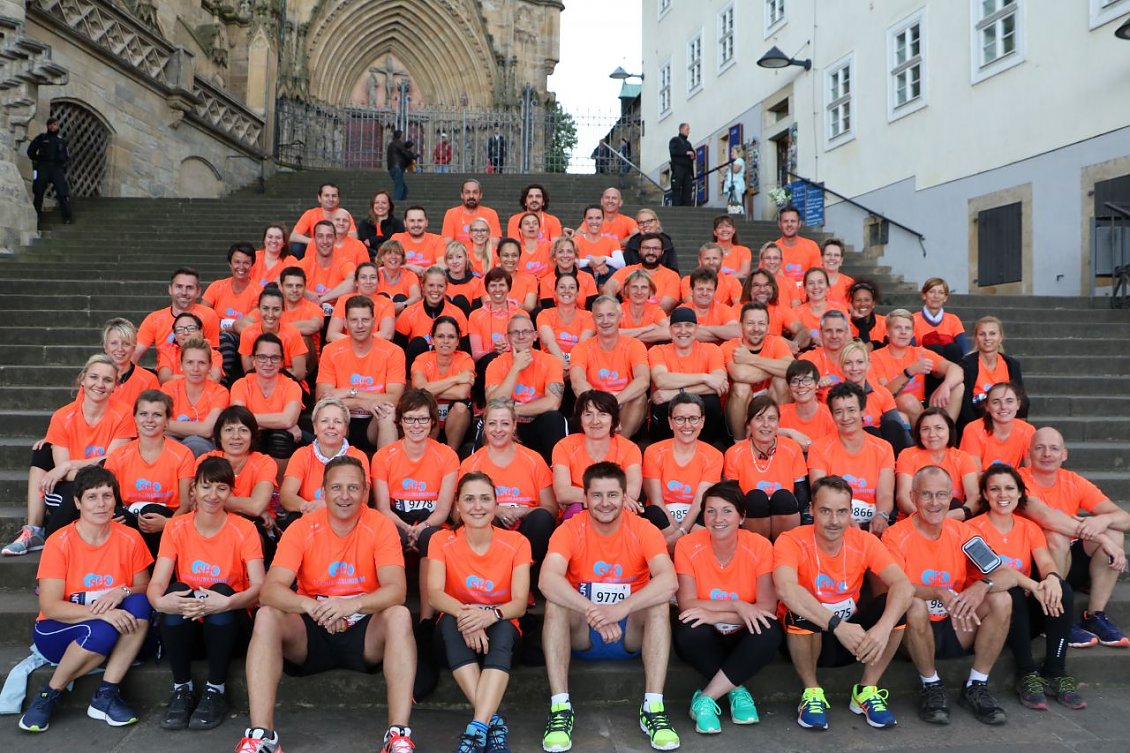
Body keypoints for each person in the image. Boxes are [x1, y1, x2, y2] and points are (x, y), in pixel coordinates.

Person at [236, 456, 417, 753]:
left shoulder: (380, 526)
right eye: (336, 488)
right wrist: (311, 607)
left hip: (364, 630)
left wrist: (351, 605)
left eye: (352, 488)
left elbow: (397, 590)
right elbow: (269, 591)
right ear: (322, 491)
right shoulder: (303, 527)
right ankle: (262, 735)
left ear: (365, 491)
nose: (344, 496)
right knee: (267, 615)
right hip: (312, 630)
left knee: (398, 615)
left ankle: (398, 735)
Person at [539, 461, 681, 752]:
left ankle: (653, 708)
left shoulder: (643, 529)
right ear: (586, 497)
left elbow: (669, 582)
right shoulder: (570, 529)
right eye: (597, 495)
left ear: (625, 496)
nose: (605, 503)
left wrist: (620, 609)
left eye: (613, 495)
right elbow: (546, 580)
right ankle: (560, 709)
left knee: (659, 604)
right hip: (584, 631)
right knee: (555, 604)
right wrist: (593, 611)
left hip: (630, 631)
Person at [17, 467, 152, 733]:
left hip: (113, 629)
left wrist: (121, 591)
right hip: (57, 630)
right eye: (92, 497)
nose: (101, 504)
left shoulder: (130, 537)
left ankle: (106, 693)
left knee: (140, 603)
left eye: (107, 495)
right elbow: (50, 606)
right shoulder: (59, 542)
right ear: (78, 502)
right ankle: (50, 693)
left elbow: (144, 585)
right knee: (101, 629)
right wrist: (101, 613)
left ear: (116, 500)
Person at [773, 475, 914, 731]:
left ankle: (866, 691)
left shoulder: (865, 541)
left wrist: (882, 629)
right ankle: (812, 694)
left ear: (851, 512)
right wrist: (837, 625)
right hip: (808, 637)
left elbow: (904, 586)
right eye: (825, 511)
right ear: (811, 510)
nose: (834, 521)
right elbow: (785, 588)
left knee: (895, 608)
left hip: (853, 640)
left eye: (841, 512)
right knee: (800, 610)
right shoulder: (791, 539)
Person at [883, 465, 1017, 727]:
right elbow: (896, 587)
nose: (935, 503)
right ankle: (931, 686)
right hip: (911, 633)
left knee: (1002, 599)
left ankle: (976, 685)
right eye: (927, 495)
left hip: (957, 625)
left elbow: (1007, 575)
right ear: (913, 497)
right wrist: (938, 591)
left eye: (942, 495)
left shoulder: (962, 532)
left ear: (950, 497)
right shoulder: (895, 535)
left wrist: (981, 586)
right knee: (914, 605)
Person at [147, 457, 265, 731]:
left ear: (230, 493)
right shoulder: (176, 527)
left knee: (221, 591)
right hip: (188, 629)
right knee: (176, 592)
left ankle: (216, 690)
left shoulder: (244, 529)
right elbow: (156, 584)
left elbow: (260, 585)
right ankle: (182, 688)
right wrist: (160, 602)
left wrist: (227, 602)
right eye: (206, 487)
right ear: (194, 491)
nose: (213, 495)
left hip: (229, 630)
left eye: (221, 488)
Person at [966, 464, 1086, 711]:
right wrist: (1035, 585)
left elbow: (1045, 561)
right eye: (995, 489)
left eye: (1010, 488)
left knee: (1061, 589)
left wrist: (1052, 578)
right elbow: (998, 571)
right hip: (993, 616)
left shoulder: (1028, 527)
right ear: (986, 494)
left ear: (1020, 493)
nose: (1003, 495)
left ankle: (1055, 671)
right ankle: (1027, 674)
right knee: (1011, 591)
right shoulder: (971, 529)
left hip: (1025, 618)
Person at [428, 471, 531, 753]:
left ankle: (477, 729)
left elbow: (520, 603)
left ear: (496, 505)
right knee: (449, 621)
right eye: (469, 499)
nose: (478, 506)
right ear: (457, 506)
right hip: (456, 632)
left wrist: (488, 616)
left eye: (485, 499)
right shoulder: (441, 540)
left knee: (506, 628)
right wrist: (468, 616)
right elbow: (436, 594)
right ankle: (490, 724)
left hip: (501, 632)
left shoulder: (518, 543)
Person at [673, 481, 781, 733]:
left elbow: (765, 607)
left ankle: (706, 698)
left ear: (742, 516)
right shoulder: (687, 545)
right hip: (708, 634)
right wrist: (737, 605)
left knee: (769, 631)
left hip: (741, 633)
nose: (717, 518)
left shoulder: (761, 546)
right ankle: (737, 691)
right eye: (710, 511)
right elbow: (687, 603)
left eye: (726, 511)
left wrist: (715, 614)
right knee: (688, 627)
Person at [3, 355, 134, 556]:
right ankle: (34, 529)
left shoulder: (124, 414)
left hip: (104, 484)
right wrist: (67, 468)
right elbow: (61, 469)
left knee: (77, 497)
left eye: (107, 380)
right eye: (93, 377)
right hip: (68, 481)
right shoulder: (63, 416)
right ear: (82, 379)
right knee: (45, 454)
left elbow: (112, 463)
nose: (99, 384)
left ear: (115, 385)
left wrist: (70, 465)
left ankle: (50, 549)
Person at [1017, 427, 1130, 648]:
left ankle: (1094, 616)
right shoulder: (1019, 480)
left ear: (1064, 454)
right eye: (1040, 448)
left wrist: (1104, 521)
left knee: (1114, 531)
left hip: (1067, 563)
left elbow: (1125, 518)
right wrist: (1102, 539)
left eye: (1053, 448)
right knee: (1056, 536)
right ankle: (1055, 620)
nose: (1047, 454)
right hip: (1036, 568)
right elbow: (1049, 518)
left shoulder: (1072, 481)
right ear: (1028, 454)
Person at [460, 399, 556, 568]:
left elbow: (551, 509)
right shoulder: (472, 464)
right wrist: (494, 510)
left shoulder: (533, 460)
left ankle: (522, 575)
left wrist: (523, 511)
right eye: (492, 423)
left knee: (541, 518)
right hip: (491, 530)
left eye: (504, 423)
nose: (498, 430)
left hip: (526, 530)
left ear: (514, 426)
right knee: (482, 517)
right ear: (485, 427)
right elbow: (457, 511)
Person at [102, 390, 194, 555]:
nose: (149, 420)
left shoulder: (183, 454)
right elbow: (106, 495)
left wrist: (167, 522)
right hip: (129, 517)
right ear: (135, 418)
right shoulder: (118, 455)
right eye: (143, 414)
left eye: (157, 415)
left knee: (152, 510)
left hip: (167, 520)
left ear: (167, 421)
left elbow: (186, 505)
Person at [317, 295, 407, 453]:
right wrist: (362, 403)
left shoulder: (393, 352)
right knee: (331, 412)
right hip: (343, 419)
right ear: (345, 322)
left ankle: (385, 472)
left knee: (388, 411)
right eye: (354, 320)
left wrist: (351, 393)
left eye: (365, 320)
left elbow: (394, 398)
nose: (360, 325)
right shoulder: (330, 351)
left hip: (375, 421)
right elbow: (323, 399)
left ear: (374, 321)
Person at [808, 383, 896, 535]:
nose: (845, 417)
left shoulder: (884, 448)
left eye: (851, 410)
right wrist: (845, 519)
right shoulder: (818, 448)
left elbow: (885, 494)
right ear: (832, 415)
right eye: (838, 412)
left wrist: (881, 515)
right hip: (834, 520)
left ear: (862, 411)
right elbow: (820, 493)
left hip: (872, 521)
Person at [642, 393, 723, 549]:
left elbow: (700, 500)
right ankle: (686, 550)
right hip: (663, 518)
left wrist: (681, 531)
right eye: (680, 419)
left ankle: (684, 551)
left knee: (711, 512)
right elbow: (656, 501)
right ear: (670, 423)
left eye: (693, 419)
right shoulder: (653, 452)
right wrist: (678, 532)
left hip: (695, 518)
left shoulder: (714, 456)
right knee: (653, 512)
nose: (687, 425)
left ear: (702, 421)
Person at [484, 314, 568, 463]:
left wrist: (514, 411)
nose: (521, 336)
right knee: (490, 422)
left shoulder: (551, 362)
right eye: (515, 332)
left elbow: (553, 403)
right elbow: (493, 403)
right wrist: (516, 368)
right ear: (507, 337)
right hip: (507, 426)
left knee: (554, 419)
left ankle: (557, 471)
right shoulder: (496, 364)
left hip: (537, 424)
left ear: (535, 336)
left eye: (526, 332)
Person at [552, 390, 643, 521]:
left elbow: (633, 491)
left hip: (617, 510)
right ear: (580, 419)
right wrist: (612, 495)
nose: (595, 421)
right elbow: (562, 493)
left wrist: (591, 495)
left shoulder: (629, 448)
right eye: (588, 414)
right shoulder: (564, 446)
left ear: (613, 420)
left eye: (602, 414)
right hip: (579, 510)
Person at [723, 396, 806, 540]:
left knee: (783, 498)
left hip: (786, 513)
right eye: (759, 418)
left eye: (772, 418)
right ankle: (758, 550)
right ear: (748, 423)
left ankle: (785, 547)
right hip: (751, 516)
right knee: (756, 499)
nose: (766, 425)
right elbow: (731, 497)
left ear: (778, 423)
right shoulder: (734, 453)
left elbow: (802, 493)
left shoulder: (792, 448)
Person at [568, 296, 650, 439]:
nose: (605, 321)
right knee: (581, 398)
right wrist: (601, 406)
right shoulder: (581, 349)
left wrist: (612, 404)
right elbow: (577, 382)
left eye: (611, 315)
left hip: (623, 403)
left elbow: (643, 380)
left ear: (620, 317)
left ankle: (620, 444)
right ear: (593, 320)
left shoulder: (635, 345)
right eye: (599, 316)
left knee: (639, 397)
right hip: (594, 406)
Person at [279, 397, 371, 517]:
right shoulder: (302, 454)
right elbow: (286, 496)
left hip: (347, 518)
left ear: (345, 429)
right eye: (324, 421)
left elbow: (363, 499)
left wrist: (326, 506)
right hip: (309, 517)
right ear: (315, 427)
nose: (331, 426)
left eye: (338, 422)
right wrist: (309, 507)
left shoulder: (358, 457)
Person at [647, 308, 727, 445]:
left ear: (696, 329)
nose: (683, 331)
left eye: (688, 325)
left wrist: (675, 392)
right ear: (670, 331)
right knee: (664, 403)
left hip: (702, 424)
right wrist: (705, 377)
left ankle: (705, 447)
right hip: (664, 419)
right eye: (677, 326)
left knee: (711, 402)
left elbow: (721, 384)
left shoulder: (712, 350)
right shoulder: (658, 351)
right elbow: (661, 380)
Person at [870, 308, 965, 425]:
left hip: (922, 404)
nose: (903, 332)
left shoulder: (920, 352)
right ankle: (926, 434)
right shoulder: (875, 357)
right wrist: (909, 372)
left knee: (957, 386)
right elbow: (885, 394)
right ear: (888, 332)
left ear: (913, 334)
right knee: (907, 400)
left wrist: (946, 385)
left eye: (908, 328)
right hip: (894, 407)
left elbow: (956, 369)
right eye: (898, 328)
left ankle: (947, 433)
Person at [198, 406, 277, 544]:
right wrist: (246, 508)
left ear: (252, 435)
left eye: (243, 430)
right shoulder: (206, 460)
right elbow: (196, 499)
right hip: (212, 520)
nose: (236, 436)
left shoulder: (265, 462)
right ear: (219, 435)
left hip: (255, 525)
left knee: (249, 540)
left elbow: (256, 507)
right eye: (229, 430)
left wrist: (215, 501)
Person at [230, 333, 303, 466]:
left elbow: (288, 419)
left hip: (278, 440)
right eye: (262, 357)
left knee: (280, 437)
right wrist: (283, 423)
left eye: (274, 358)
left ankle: (278, 487)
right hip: (250, 438)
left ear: (281, 362)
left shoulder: (291, 385)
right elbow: (238, 420)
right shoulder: (240, 385)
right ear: (253, 360)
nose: (268, 363)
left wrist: (250, 419)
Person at [722, 302, 793, 438]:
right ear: (741, 325)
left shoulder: (776, 343)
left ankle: (778, 437)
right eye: (750, 323)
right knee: (741, 387)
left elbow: (791, 369)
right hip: (740, 402)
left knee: (781, 381)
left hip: (771, 396)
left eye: (761, 323)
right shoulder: (729, 346)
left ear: (768, 327)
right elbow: (740, 374)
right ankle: (740, 443)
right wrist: (777, 367)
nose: (756, 328)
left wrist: (750, 359)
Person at [895, 408, 981, 519]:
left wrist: (955, 515)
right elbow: (903, 497)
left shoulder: (963, 458)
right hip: (915, 519)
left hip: (953, 518)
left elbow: (974, 497)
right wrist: (924, 517)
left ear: (949, 430)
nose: (932, 434)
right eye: (925, 429)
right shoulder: (907, 455)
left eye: (939, 428)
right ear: (919, 432)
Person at [411, 316, 475, 452]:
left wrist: (431, 389)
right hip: (430, 418)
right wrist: (456, 379)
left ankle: (451, 454)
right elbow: (419, 388)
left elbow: (462, 393)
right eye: (440, 336)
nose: (446, 341)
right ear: (432, 339)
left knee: (460, 406)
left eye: (451, 337)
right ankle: (428, 453)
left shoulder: (465, 359)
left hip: (458, 422)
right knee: (426, 405)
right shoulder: (422, 359)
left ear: (458, 341)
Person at [839, 340, 912, 455]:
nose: (854, 368)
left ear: (868, 365)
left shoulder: (882, 393)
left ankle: (896, 466)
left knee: (892, 425)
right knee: (870, 431)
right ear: (842, 367)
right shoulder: (836, 397)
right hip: (852, 449)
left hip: (885, 449)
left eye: (859, 362)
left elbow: (899, 429)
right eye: (848, 363)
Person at [162, 337, 231, 457]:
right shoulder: (169, 388)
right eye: (190, 362)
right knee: (163, 444)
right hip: (171, 439)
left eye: (202, 363)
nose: (195, 369)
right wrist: (197, 428)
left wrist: (167, 425)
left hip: (204, 445)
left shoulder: (219, 392)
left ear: (210, 366)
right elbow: (157, 423)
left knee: (195, 444)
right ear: (181, 365)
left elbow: (207, 430)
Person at [135, 267, 221, 362]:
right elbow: (135, 353)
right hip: (164, 372)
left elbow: (212, 356)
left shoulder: (208, 315)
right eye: (179, 287)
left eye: (189, 288)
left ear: (198, 292)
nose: (184, 292)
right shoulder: (155, 319)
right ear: (170, 289)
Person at [395, 266, 469, 370]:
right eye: (431, 285)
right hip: (417, 372)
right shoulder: (409, 313)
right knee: (418, 343)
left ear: (446, 288)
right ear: (423, 287)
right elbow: (399, 353)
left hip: (447, 369)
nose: (435, 290)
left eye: (440, 286)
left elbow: (465, 353)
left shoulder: (457, 314)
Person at [203, 243, 261, 369]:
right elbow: (202, 318)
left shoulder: (259, 292)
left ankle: (222, 381)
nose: (241, 267)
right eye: (237, 262)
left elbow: (247, 327)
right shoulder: (216, 287)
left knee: (225, 337)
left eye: (246, 263)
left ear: (252, 265)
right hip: (214, 339)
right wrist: (232, 325)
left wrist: (221, 324)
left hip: (244, 341)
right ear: (230, 264)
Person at [960, 316, 1025, 428]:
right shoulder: (966, 365)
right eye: (982, 334)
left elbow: (1021, 398)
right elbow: (966, 407)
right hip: (976, 423)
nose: (987, 338)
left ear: (1001, 337)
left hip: (1006, 420)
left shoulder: (1012, 364)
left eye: (992, 333)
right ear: (976, 338)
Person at [239, 286, 310, 381]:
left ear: (283, 310)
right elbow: (248, 373)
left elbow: (299, 374)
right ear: (258, 308)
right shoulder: (248, 333)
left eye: (276, 309)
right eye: (265, 308)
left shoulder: (293, 333)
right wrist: (285, 371)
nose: (270, 314)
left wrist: (266, 372)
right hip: (258, 386)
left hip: (290, 386)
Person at [959, 381, 1034, 470]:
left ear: (1018, 405)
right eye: (996, 402)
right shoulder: (973, 429)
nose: (1003, 407)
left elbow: (1033, 471)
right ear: (987, 406)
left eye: (1009, 401)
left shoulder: (1027, 430)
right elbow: (973, 474)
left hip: (1010, 482)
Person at [604, 233, 681, 312]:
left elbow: (667, 305)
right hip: (625, 318)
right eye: (646, 248)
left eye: (655, 248)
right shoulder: (626, 271)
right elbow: (608, 288)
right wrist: (615, 310)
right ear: (639, 251)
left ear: (662, 252)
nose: (651, 252)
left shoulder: (672, 276)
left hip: (657, 320)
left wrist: (642, 317)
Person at [325, 262, 397, 343]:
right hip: (347, 348)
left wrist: (359, 341)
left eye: (373, 277)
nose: (368, 281)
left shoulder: (386, 303)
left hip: (376, 349)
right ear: (356, 282)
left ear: (378, 281)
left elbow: (387, 335)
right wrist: (358, 342)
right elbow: (331, 335)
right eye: (363, 277)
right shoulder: (343, 300)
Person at [776, 360, 836, 454]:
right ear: (789, 388)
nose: (801, 385)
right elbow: (756, 432)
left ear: (816, 385)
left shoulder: (829, 415)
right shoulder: (780, 413)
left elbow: (835, 449)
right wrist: (789, 432)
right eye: (795, 381)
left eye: (807, 380)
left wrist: (808, 444)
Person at [537, 272, 596, 367]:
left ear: (577, 293)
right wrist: (564, 366)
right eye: (562, 287)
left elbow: (583, 345)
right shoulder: (545, 315)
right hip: (550, 365)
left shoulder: (589, 317)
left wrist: (573, 367)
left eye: (572, 287)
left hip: (579, 365)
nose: (566, 291)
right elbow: (549, 342)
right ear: (555, 292)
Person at [741, 268, 808, 350]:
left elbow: (803, 330)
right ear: (749, 288)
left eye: (767, 285)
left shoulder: (781, 309)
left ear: (773, 288)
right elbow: (735, 331)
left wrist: (794, 345)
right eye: (757, 285)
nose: (762, 289)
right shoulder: (740, 308)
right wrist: (778, 340)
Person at [102, 317, 160, 407]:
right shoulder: (94, 378)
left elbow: (154, 415)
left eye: (126, 344)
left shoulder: (148, 380)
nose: (120, 349)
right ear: (105, 347)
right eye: (114, 343)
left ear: (133, 348)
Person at [288, 183, 356, 259]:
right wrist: (315, 242)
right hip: (316, 249)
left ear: (338, 199)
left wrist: (332, 243)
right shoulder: (310, 214)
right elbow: (293, 236)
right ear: (319, 198)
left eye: (334, 196)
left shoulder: (344, 215)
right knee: (297, 247)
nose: (330, 199)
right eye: (327, 196)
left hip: (339, 251)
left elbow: (354, 237)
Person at [298, 220, 356, 305]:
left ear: (335, 239)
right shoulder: (306, 263)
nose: (325, 241)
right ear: (314, 240)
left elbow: (354, 281)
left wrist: (322, 299)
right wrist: (306, 293)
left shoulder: (344, 263)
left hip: (338, 315)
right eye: (320, 236)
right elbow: (282, 282)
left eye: (329, 236)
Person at [913, 277, 970, 364]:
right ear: (924, 295)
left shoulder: (953, 320)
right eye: (931, 292)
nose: (936, 296)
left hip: (951, 369)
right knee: (935, 348)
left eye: (940, 293)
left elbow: (964, 349)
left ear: (945, 297)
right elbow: (910, 350)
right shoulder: (913, 320)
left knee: (953, 348)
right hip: (925, 368)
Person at [28, 117, 73, 224]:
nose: (52, 126)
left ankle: (67, 217)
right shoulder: (41, 138)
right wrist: (38, 159)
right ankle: (36, 215)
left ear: (58, 126)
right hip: (43, 166)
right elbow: (30, 151)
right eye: (50, 124)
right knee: (39, 191)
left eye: (54, 124)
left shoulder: (62, 140)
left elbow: (66, 156)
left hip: (56, 168)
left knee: (62, 192)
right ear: (47, 126)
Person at [799, 310, 851, 402]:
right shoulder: (808, 359)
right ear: (820, 333)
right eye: (828, 331)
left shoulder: (856, 358)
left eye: (839, 331)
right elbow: (797, 387)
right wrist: (815, 383)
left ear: (846, 333)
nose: (834, 336)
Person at [794, 268, 849, 346]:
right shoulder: (796, 313)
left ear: (827, 287)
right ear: (805, 289)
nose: (816, 287)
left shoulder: (839, 310)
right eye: (811, 283)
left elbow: (848, 340)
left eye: (820, 282)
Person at [538, 236, 596, 308]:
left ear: (575, 256)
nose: (565, 255)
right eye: (561, 252)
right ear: (554, 257)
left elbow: (592, 310)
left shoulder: (588, 278)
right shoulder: (545, 281)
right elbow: (549, 312)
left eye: (569, 251)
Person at [684, 268, 740, 344]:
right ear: (691, 291)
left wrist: (702, 328)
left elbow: (736, 332)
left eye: (709, 290)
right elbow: (671, 332)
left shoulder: (724, 309)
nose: (704, 293)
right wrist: (720, 334)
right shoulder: (682, 310)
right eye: (700, 289)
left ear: (714, 291)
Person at [773, 206, 822, 292]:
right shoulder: (772, 249)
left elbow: (817, 276)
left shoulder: (812, 246)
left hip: (807, 296)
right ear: (779, 224)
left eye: (793, 221)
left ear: (799, 224)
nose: (789, 224)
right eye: (785, 221)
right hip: (782, 295)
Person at [573, 205, 623, 287]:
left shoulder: (612, 240)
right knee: (584, 271)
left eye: (598, 218)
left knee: (611, 271)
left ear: (603, 220)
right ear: (584, 220)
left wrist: (603, 259)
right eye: (590, 218)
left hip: (604, 279)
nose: (594, 222)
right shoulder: (575, 241)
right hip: (582, 282)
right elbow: (570, 262)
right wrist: (589, 263)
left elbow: (621, 264)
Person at [442, 179, 502, 247]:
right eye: (467, 192)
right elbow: (447, 243)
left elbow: (494, 244)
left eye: (475, 192)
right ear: (462, 195)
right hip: (459, 256)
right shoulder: (451, 213)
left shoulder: (491, 214)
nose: (471, 196)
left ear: (480, 195)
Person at [618, 270, 671, 345]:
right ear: (627, 289)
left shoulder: (655, 310)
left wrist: (626, 335)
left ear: (650, 291)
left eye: (644, 287)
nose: (639, 292)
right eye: (634, 287)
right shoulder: (618, 310)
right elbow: (610, 333)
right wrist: (646, 329)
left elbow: (668, 332)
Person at [392, 206, 446, 274]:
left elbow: (443, 264)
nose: (416, 224)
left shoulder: (437, 240)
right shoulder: (397, 239)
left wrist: (423, 271)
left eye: (420, 220)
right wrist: (410, 267)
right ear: (405, 223)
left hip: (429, 282)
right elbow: (390, 264)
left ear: (426, 222)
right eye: (412, 221)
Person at [376, 240, 423, 314]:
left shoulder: (409, 275)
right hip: (379, 316)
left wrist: (403, 305)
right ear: (382, 258)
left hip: (402, 317)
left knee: (400, 298)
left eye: (397, 253)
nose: (393, 257)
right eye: (389, 253)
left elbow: (416, 297)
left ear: (402, 258)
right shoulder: (376, 275)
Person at [495, 237, 540, 311]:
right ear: (498, 257)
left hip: (521, 319)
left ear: (519, 257)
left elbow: (530, 307)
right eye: (506, 255)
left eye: (514, 255)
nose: (510, 259)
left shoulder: (530, 279)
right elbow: (489, 305)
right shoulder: (488, 279)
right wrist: (515, 304)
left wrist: (505, 304)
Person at [249, 224, 298, 289]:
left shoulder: (292, 262)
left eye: (278, 238)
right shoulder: (252, 257)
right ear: (264, 240)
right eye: (270, 237)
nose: (274, 241)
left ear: (284, 242)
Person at [443, 242, 483, 318]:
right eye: (450, 258)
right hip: (442, 324)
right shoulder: (439, 280)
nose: (454, 261)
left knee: (460, 300)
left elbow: (476, 315)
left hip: (467, 325)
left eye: (459, 257)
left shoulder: (476, 283)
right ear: (446, 261)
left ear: (466, 258)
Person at [847, 280, 887, 349]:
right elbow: (862, 351)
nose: (862, 304)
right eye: (858, 300)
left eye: (867, 300)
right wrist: (862, 321)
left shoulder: (885, 323)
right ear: (851, 304)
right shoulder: (844, 324)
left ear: (873, 304)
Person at [711, 215, 751, 280]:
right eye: (720, 227)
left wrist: (722, 278)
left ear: (733, 230)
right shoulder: (709, 251)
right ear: (715, 232)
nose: (724, 230)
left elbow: (744, 274)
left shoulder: (744, 251)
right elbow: (706, 273)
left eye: (728, 226)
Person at [821, 239, 854, 305]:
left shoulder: (850, 284)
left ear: (841, 260)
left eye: (836, 255)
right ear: (821, 258)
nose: (832, 258)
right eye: (828, 254)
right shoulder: (812, 282)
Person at [669, 122, 695, 207]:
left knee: (687, 189)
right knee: (676, 188)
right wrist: (686, 152)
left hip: (687, 169)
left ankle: (686, 207)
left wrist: (693, 155)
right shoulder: (675, 140)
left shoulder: (688, 143)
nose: (688, 131)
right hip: (678, 168)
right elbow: (673, 152)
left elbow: (693, 153)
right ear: (681, 129)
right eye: (687, 129)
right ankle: (676, 208)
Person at [387, 129, 415, 201]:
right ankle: (396, 201)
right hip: (397, 167)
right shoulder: (398, 143)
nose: (403, 136)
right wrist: (413, 156)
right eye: (402, 135)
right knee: (399, 186)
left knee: (404, 189)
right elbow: (406, 153)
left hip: (393, 167)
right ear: (399, 136)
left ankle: (401, 202)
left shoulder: (392, 144)